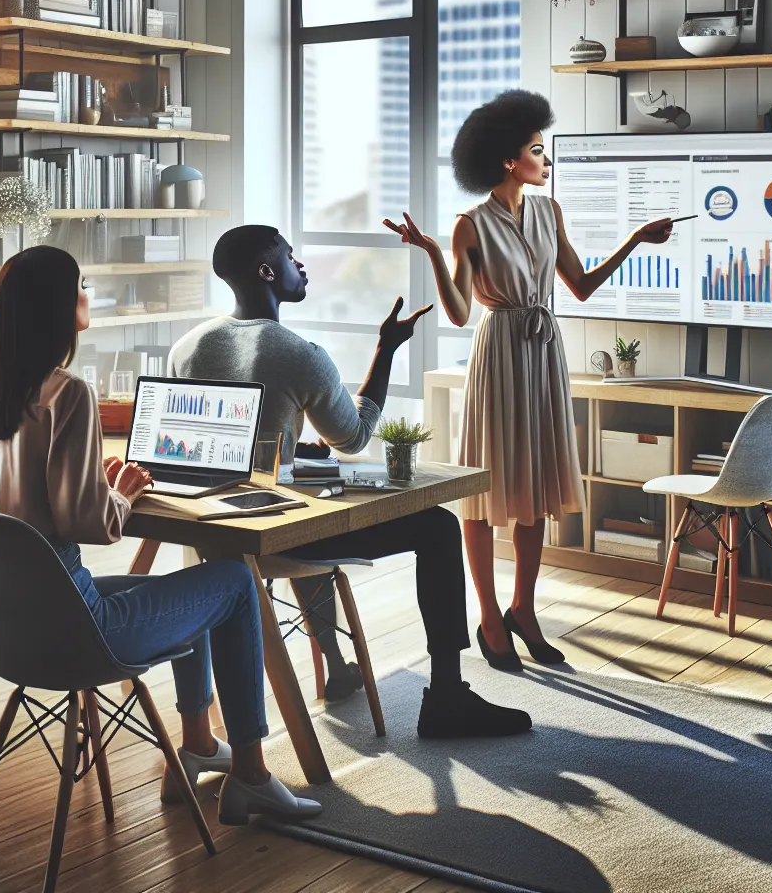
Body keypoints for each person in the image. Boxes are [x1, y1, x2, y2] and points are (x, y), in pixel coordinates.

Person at [0, 245, 321, 825]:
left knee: (191, 584)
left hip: (3, 626)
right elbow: (93, 526)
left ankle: (202, 747)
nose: (88, 293)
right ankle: (251, 776)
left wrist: (95, 485)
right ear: (55, 306)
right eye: (80, 283)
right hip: (76, 629)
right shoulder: (68, 395)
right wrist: (122, 494)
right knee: (230, 580)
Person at [168, 225, 532, 739]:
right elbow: (354, 437)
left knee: (310, 506)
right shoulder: (299, 353)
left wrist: (287, 449)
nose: (303, 266)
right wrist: (387, 349)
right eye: (292, 258)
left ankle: (338, 665)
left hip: (216, 534)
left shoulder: (187, 347)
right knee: (439, 528)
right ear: (268, 273)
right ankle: (447, 697)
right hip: (280, 531)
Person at [384, 90, 674, 670]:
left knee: (535, 491)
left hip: (543, 354)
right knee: (487, 491)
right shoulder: (470, 225)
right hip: (499, 355)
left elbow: (582, 286)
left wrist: (636, 239)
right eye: (538, 151)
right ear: (506, 160)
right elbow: (462, 313)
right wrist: (434, 254)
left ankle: (525, 610)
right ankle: (489, 616)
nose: (548, 161)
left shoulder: (549, 212)